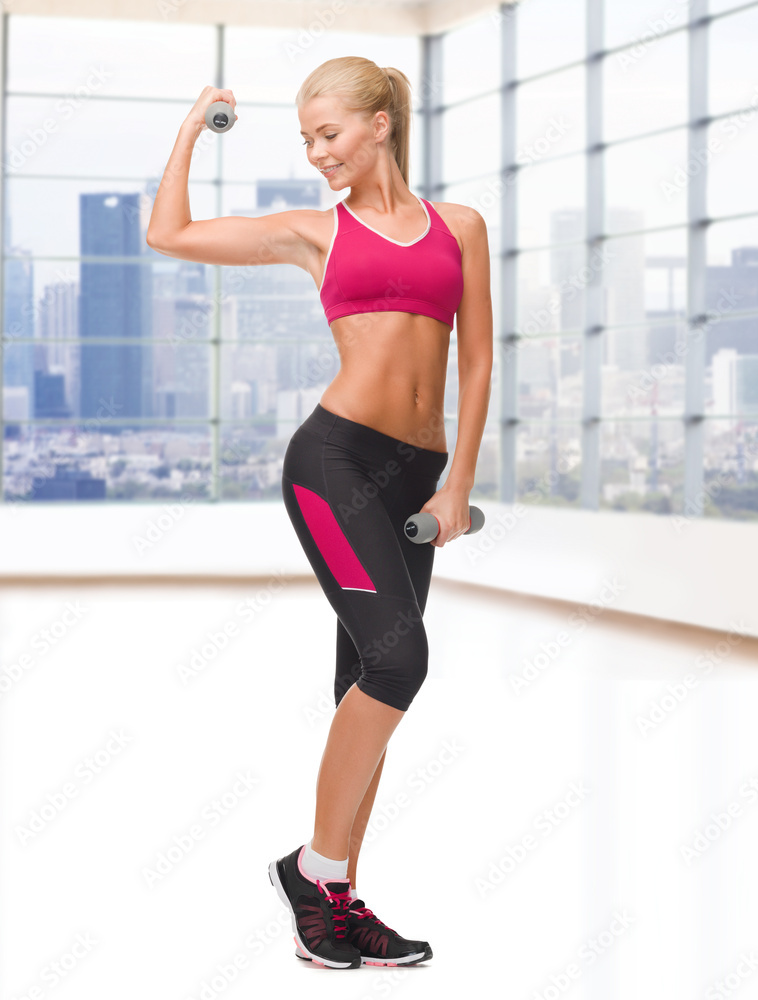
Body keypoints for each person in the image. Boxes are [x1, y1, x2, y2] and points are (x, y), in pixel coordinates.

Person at [147, 55, 492, 970]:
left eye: (328, 134)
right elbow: (169, 234)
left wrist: (456, 480)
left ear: (379, 124)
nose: (316, 155)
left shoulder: (461, 226)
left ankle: (335, 902)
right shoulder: (314, 234)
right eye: (305, 140)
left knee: (362, 686)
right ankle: (313, 869)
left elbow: (480, 360)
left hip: (416, 475)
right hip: (333, 462)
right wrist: (191, 126)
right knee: (399, 659)